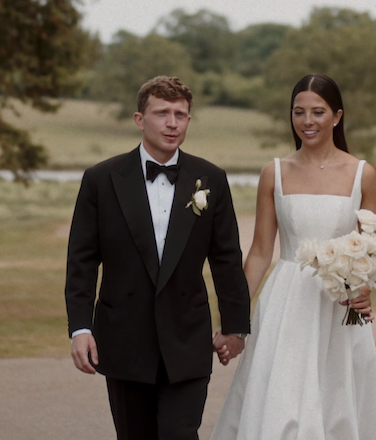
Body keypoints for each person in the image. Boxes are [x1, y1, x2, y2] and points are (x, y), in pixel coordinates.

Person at [65, 75, 253, 440]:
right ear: (140, 119)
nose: (172, 123)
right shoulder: (101, 179)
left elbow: (227, 258)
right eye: (162, 113)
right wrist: (80, 327)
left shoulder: (210, 178)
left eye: (180, 114)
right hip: (123, 338)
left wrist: (235, 326)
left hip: (188, 337)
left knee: (179, 434)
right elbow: (82, 260)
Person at [211, 74, 376, 440]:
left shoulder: (362, 175)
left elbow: (371, 250)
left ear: (337, 116)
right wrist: (234, 319)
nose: (308, 121)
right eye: (299, 112)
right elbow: (260, 253)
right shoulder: (274, 172)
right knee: (283, 406)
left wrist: (364, 289)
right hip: (286, 305)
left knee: (338, 404)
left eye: (318, 112)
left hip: (340, 309)